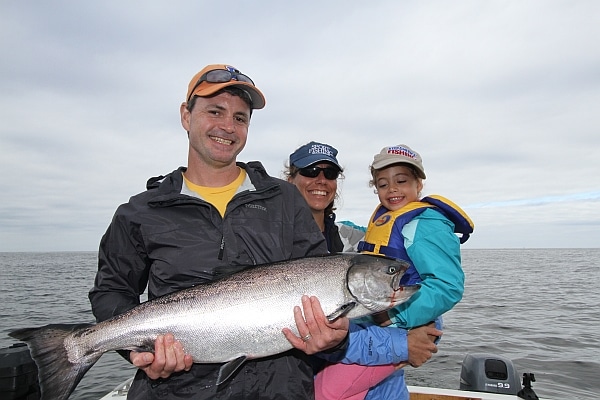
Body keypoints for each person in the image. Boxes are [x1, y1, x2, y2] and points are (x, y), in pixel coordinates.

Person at [88, 64, 349, 400]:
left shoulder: (285, 200)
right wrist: (139, 353)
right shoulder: (140, 211)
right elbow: (111, 290)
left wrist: (335, 337)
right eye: (215, 111)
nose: (228, 126)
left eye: (240, 118)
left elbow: (320, 280)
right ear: (186, 116)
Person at [314, 144, 474, 400]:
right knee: (384, 388)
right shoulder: (388, 218)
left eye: (402, 181)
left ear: (419, 184)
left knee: (325, 392)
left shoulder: (426, 225)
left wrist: (396, 317)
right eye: (383, 184)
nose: (393, 190)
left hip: (406, 318)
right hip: (382, 314)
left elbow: (448, 286)